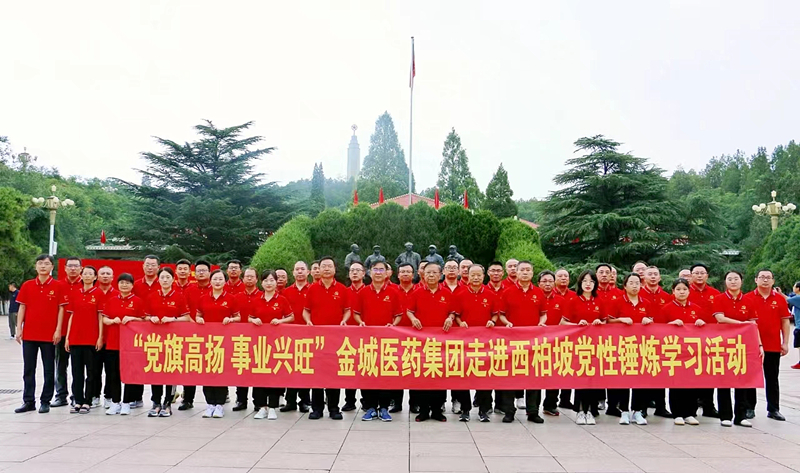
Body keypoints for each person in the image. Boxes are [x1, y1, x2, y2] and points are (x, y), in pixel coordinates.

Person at [14, 255, 68, 414]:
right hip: (30, 334)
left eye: (46, 263)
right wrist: (19, 328)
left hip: (49, 335)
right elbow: (22, 307)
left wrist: (58, 330)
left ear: (52, 267)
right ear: (36, 266)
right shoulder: (27, 285)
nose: (43, 266)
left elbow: (61, 309)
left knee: (49, 369)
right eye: (40, 263)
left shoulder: (58, 286)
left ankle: (45, 401)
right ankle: (28, 401)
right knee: (28, 369)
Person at [351, 261, 402, 422]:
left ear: (387, 273)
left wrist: (393, 325)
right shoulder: (363, 292)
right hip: (368, 340)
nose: (378, 272)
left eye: (381, 269)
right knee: (368, 372)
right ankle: (371, 407)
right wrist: (360, 322)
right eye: (375, 269)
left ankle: (384, 407)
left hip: (387, 341)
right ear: (369, 272)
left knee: (385, 374)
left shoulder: (393, 292)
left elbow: (399, 315)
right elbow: (356, 313)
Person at [498, 260, 547, 424]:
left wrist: (541, 323)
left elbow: (543, 314)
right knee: (510, 376)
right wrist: (507, 323)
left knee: (534, 376)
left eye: (528, 270)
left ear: (532, 273)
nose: (525, 273)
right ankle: (509, 411)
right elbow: (501, 314)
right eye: (522, 270)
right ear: (516, 273)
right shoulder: (507, 292)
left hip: (534, 341)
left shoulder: (539, 292)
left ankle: (533, 411)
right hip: (512, 341)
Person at [406, 262, 454, 422]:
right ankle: (424, 410)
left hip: (441, 341)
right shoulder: (417, 292)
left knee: (439, 375)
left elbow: (453, 312)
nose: (431, 275)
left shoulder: (447, 293)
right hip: (421, 341)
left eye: (434, 273)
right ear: (423, 275)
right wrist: (413, 319)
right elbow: (409, 311)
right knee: (423, 375)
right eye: (428, 273)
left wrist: (450, 318)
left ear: (440, 275)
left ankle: (437, 410)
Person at [303, 256, 349, 420]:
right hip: (317, 339)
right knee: (317, 374)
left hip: (336, 339)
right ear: (319, 269)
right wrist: (308, 321)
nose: (327, 269)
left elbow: (347, 310)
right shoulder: (312, 289)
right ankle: (316, 409)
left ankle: (334, 408)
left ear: (335, 269)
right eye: (324, 266)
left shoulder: (342, 289)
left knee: (333, 374)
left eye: (330, 266)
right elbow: (306, 310)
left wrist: (344, 320)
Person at [453, 264, 499, 422]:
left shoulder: (490, 294)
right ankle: (465, 409)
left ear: (483, 276)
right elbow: (456, 314)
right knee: (463, 375)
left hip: (485, 342)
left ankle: (483, 410)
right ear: (467, 276)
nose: (476, 278)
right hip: (465, 342)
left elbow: (495, 314)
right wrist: (460, 322)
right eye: (473, 275)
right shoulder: (460, 293)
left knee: (484, 376)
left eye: (479, 275)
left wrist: (492, 321)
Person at [712, 270, 759, 427]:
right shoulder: (719, 299)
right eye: (730, 279)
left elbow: (754, 325)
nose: (733, 281)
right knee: (723, 380)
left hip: (743, 345)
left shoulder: (749, 301)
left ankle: (741, 416)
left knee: (742, 380)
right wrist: (741, 324)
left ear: (741, 281)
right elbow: (720, 318)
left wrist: (759, 345)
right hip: (723, 344)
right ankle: (725, 416)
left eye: (736, 279)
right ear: (725, 282)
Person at [743, 269, 791, 421]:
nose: (765, 280)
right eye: (762, 277)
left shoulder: (780, 299)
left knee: (772, 377)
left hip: (773, 344)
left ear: (773, 281)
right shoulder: (747, 298)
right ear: (756, 280)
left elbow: (785, 321)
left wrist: (785, 342)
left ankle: (773, 409)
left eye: (768, 277)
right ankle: (749, 408)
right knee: (751, 377)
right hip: (752, 345)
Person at [607, 273, 653, 426]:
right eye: (631, 283)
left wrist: (648, 320)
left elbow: (654, 322)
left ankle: (638, 411)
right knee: (623, 379)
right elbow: (608, 321)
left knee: (641, 379)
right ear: (625, 286)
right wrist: (620, 320)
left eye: (637, 283)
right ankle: (624, 411)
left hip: (642, 346)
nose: (634, 286)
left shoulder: (646, 303)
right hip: (623, 346)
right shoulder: (617, 302)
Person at [560, 269, 605, 425]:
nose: (588, 284)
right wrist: (577, 325)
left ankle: (591, 410)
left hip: (595, 345)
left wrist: (600, 322)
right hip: (578, 345)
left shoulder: (599, 301)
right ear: (580, 283)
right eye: (585, 281)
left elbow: (605, 321)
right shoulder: (573, 300)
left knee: (593, 379)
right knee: (580, 378)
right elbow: (563, 323)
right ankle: (580, 411)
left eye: (591, 281)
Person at [145, 267, 191, 417]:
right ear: (158, 279)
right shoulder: (152, 296)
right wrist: (150, 318)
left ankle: (167, 403)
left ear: (173, 279)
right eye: (162, 277)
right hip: (155, 341)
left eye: (168, 277)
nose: (165, 280)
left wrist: (173, 319)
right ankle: (156, 403)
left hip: (173, 341)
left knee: (171, 371)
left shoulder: (179, 296)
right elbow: (144, 316)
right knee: (156, 371)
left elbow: (186, 317)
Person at [661, 278, 708, 426]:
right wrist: (670, 324)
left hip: (692, 352)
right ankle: (677, 413)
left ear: (689, 291)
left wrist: (701, 323)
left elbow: (707, 330)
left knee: (692, 383)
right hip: (674, 351)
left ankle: (690, 413)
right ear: (673, 291)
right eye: (678, 289)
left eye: (684, 289)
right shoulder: (666, 309)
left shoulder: (696, 309)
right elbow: (658, 329)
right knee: (676, 383)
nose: (681, 292)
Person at [100, 273, 147, 415]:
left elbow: (144, 320)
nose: (124, 285)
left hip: (130, 345)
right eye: (121, 283)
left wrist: (132, 318)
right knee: (113, 374)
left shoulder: (138, 301)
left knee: (129, 374)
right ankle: (115, 402)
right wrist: (112, 321)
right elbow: (104, 319)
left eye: (127, 283)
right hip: (113, 343)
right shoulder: (112, 300)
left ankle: (127, 402)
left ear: (132, 285)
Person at [250, 270, 294, 420]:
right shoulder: (256, 300)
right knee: (259, 375)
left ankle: (273, 406)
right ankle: (261, 407)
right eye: (266, 281)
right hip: (260, 344)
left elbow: (291, 317)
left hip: (277, 343)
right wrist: (254, 320)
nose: (269, 283)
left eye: (271, 280)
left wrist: (280, 321)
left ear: (276, 282)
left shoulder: (282, 300)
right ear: (261, 283)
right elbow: (249, 317)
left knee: (275, 374)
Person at [196, 269, 240, 418]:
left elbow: (238, 317)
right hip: (206, 341)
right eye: (215, 279)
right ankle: (210, 404)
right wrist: (199, 319)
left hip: (223, 341)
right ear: (210, 281)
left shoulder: (231, 298)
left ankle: (220, 405)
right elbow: (198, 314)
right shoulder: (203, 298)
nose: (217, 282)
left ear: (225, 281)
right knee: (207, 372)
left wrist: (230, 319)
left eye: (220, 279)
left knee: (220, 371)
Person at [65, 266, 103, 414]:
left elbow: (100, 316)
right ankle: (78, 400)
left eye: (90, 274)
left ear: (95, 277)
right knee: (76, 372)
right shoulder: (76, 293)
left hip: (91, 339)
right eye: (85, 273)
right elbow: (72, 316)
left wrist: (100, 337)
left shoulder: (98, 293)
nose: (87, 276)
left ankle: (88, 401)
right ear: (81, 276)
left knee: (91, 373)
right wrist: (68, 337)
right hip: (75, 338)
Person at [177, 259, 212, 411]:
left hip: (212, 334)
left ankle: (214, 401)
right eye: (198, 271)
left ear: (209, 273)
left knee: (211, 365)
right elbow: (184, 310)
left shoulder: (216, 288)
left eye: (204, 270)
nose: (201, 273)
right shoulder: (189, 290)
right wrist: (193, 323)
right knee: (190, 365)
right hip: (191, 332)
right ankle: (188, 399)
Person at [688, 263, 721, 418]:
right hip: (689, 339)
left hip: (710, 339)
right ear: (691, 275)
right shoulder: (684, 291)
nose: (700, 275)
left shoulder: (715, 294)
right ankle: (692, 407)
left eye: (702, 273)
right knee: (691, 372)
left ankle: (709, 406)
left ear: (707, 275)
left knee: (709, 372)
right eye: (696, 273)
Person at [640, 265, 672, 418]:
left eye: (655, 274)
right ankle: (642, 407)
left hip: (662, 340)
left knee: (660, 373)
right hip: (642, 340)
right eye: (650, 274)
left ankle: (661, 407)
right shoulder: (638, 294)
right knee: (643, 374)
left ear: (660, 277)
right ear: (644, 278)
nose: (653, 277)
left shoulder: (667, 296)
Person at [538, 270, 571, 416]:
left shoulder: (561, 300)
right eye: (544, 281)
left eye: (550, 281)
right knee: (534, 374)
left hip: (556, 342)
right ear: (538, 283)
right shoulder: (534, 297)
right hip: (536, 341)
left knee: (555, 373)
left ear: (554, 283)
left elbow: (566, 320)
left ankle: (550, 404)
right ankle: (532, 407)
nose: (547, 284)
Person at [281, 261, 312, 412]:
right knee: (290, 368)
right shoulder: (286, 292)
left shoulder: (313, 290)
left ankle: (305, 401)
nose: (300, 272)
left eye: (302, 269)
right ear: (293, 273)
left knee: (305, 367)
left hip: (308, 335)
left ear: (308, 272)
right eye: (297, 269)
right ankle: (290, 401)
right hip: (289, 335)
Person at [233, 267, 263, 413]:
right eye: (247, 276)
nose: (249, 279)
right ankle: (241, 400)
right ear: (243, 279)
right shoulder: (236, 297)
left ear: (257, 279)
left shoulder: (263, 296)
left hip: (259, 339)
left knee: (258, 370)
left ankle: (258, 401)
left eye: (252, 276)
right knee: (242, 369)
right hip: (241, 339)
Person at [56, 256, 83, 407]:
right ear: (65, 268)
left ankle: (77, 395)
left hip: (80, 333)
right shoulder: (58, 285)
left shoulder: (87, 285)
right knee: (61, 365)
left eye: (76, 266)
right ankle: (61, 395)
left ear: (81, 268)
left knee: (78, 367)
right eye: (70, 266)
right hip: (61, 332)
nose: (73, 269)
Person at [392, 262, 418, 413]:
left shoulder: (420, 290)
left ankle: (414, 403)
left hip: (416, 336)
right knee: (397, 369)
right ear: (398, 275)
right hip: (396, 335)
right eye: (402, 272)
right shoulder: (392, 290)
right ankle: (397, 403)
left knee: (415, 369)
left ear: (413, 275)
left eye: (408, 271)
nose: (405, 274)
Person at [343, 261, 367, 411]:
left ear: (364, 273)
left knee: (365, 367)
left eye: (358, 270)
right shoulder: (344, 291)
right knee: (349, 367)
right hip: (348, 335)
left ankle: (366, 401)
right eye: (352, 270)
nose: (355, 273)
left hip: (366, 335)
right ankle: (349, 401)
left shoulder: (369, 291)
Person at [91, 266, 116, 408]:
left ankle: (109, 396)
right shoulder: (92, 293)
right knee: (94, 369)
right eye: (102, 273)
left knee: (111, 370)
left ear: (112, 277)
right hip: (94, 337)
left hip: (112, 338)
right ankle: (95, 395)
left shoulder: (118, 294)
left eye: (108, 273)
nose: (105, 276)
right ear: (97, 277)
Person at [552, 268, 576, 410]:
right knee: (554, 369)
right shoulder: (548, 294)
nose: (563, 278)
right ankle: (552, 401)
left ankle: (565, 399)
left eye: (565, 276)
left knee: (568, 367)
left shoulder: (574, 295)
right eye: (560, 276)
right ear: (555, 279)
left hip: (570, 337)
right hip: (552, 337)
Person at [785, 281, 800, 369]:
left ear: (798, 288)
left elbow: (787, 299)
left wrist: (779, 293)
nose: (793, 288)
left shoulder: (798, 298)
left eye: (794, 286)